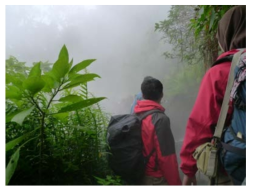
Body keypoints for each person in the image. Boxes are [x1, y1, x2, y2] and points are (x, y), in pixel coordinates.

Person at [180, 5, 246, 185]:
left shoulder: (222, 72)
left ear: (228, 32)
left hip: (235, 170)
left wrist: (189, 169)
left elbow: (200, 125)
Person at [134, 76, 181, 185]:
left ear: (143, 94)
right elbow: (166, 157)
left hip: (140, 175)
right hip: (156, 179)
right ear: (161, 95)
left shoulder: (136, 114)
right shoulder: (159, 119)